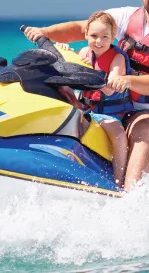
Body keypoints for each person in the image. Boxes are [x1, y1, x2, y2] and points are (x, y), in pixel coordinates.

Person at [24, 0, 149, 191]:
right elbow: (81, 29)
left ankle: (130, 195)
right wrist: (45, 33)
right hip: (109, 105)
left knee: (141, 130)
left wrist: (126, 80)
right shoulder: (124, 17)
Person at [56, 11, 133, 188]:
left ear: (113, 36)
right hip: (86, 108)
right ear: (85, 35)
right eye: (94, 36)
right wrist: (64, 51)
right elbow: (66, 70)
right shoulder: (83, 52)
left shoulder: (117, 58)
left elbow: (110, 89)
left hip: (110, 113)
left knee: (119, 135)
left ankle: (119, 181)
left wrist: (88, 70)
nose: (99, 41)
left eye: (105, 37)